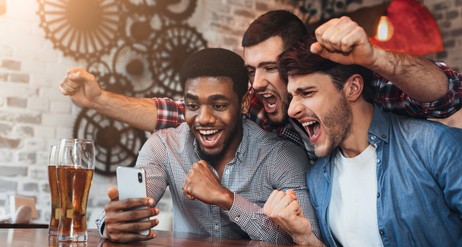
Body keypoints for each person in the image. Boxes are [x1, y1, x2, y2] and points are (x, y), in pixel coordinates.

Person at [59, 11, 462, 139]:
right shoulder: (258, 103)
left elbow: (447, 94)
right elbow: (176, 112)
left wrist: (376, 57)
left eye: (270, 68)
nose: (257, 83)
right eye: (252, 70)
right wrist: (97, 100)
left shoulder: (348, 91)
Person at [96, 48, 322, 245]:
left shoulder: (280, 156)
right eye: (193, 105)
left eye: (218, 105)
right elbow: (134, 207)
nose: (203, 118)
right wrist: (113, 224)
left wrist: (226, 199)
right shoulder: (164, 146)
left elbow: (303, 239)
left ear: (243, 103)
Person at [264, 36, 462, 247]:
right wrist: (305, 237)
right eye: (292, 96)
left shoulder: (433, 145)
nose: (292, 110)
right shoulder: (318, 179)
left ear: (353, 88)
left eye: (307, 93)